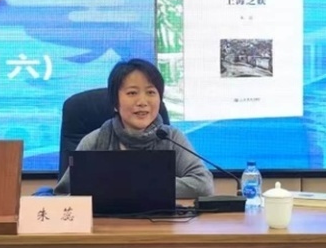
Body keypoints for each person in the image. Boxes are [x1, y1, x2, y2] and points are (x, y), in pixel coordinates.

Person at [54, 58, 215, 198]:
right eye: (132, 93)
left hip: (160, 222)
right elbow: (64, 193)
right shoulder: (94, 141)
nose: (142, 102)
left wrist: (134, 185)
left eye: (151, 92)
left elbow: (203, 185)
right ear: (115, 103)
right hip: (105, 223)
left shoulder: (171, 137)